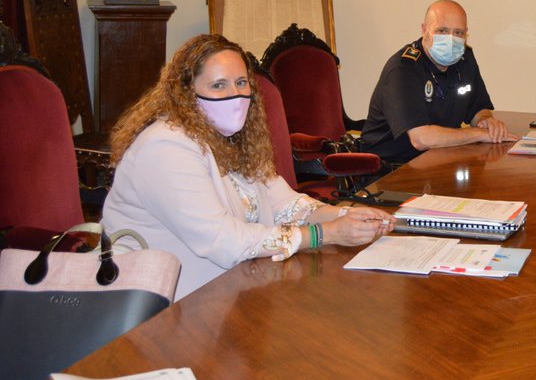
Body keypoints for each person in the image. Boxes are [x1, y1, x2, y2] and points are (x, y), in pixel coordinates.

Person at [103, 34, 394, 299]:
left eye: (241, 83)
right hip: (162, 306)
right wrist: (326, 234)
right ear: (185, 92)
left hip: (227, 291)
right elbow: (224, 241)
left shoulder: (234, 138)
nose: (235, 94)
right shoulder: (165, 146)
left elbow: (286, 205)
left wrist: (348, 215)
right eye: (218, 85)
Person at [361, 0, 515, 163]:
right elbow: (421, 139)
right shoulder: (403, 68)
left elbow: (478, 108)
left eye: (458, 33)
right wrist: (479, 134)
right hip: (391, 167)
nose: (451, 40)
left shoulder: (465, 59)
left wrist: (486, 121)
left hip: (439, 158)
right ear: (424, 30)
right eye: (442, 31)